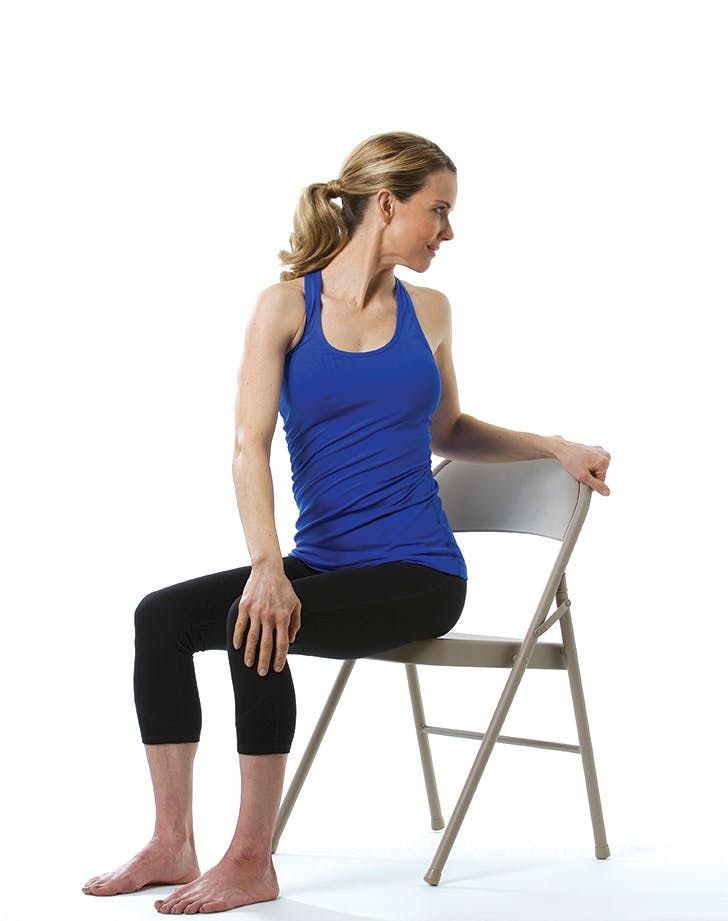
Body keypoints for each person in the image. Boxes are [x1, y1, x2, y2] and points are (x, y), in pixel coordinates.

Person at [82, 131, 611, 914]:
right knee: (160, 617)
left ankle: (251, 858)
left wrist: (552, 444)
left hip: (420, 572)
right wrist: (268, 561)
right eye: (439, 211)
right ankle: (172, 840)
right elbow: (247, 446)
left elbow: (449, 429)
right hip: (324, 561)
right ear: (387, 203)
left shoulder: (428, 310)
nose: (449, 232)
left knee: (249, 622)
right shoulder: (283, 307)